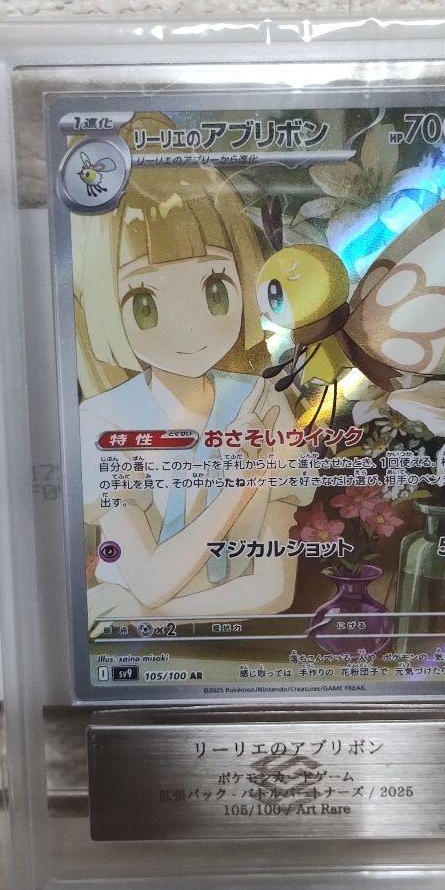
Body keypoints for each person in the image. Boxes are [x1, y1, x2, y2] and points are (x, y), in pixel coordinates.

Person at [74, 114, 311, 625]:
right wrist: (243, 483)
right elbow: (149, 582)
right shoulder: (105, 421)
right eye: (145, 303)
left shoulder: (263, 403)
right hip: (132, 655)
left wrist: (141, 614)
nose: (189, 329)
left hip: (223, 644)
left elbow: (274, 590)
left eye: (214, 290)